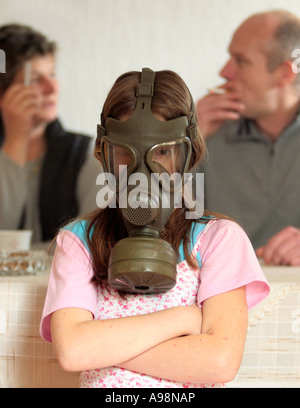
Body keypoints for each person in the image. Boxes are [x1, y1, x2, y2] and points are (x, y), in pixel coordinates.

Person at [40, 68, 269, 388]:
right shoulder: (78, 242)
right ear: (104, 152)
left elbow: (219, 362)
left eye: (162, 151)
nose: (142, 172)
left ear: (188, 154)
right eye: (125, 151)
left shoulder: (217, 240)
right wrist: (183, 319)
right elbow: (73, 352)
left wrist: (102, 346)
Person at [196, 10, 300, 266]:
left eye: (240, 61)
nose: (224, 72)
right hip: (216, 291)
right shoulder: (204, 129)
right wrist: (180, 143)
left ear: (285, 74)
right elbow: (149, 225)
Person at [0, 24, 101, 247]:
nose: (52, 87)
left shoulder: (84, 154)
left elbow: (90, 244)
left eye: (52, 74)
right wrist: (17, 139)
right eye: (36, 79)